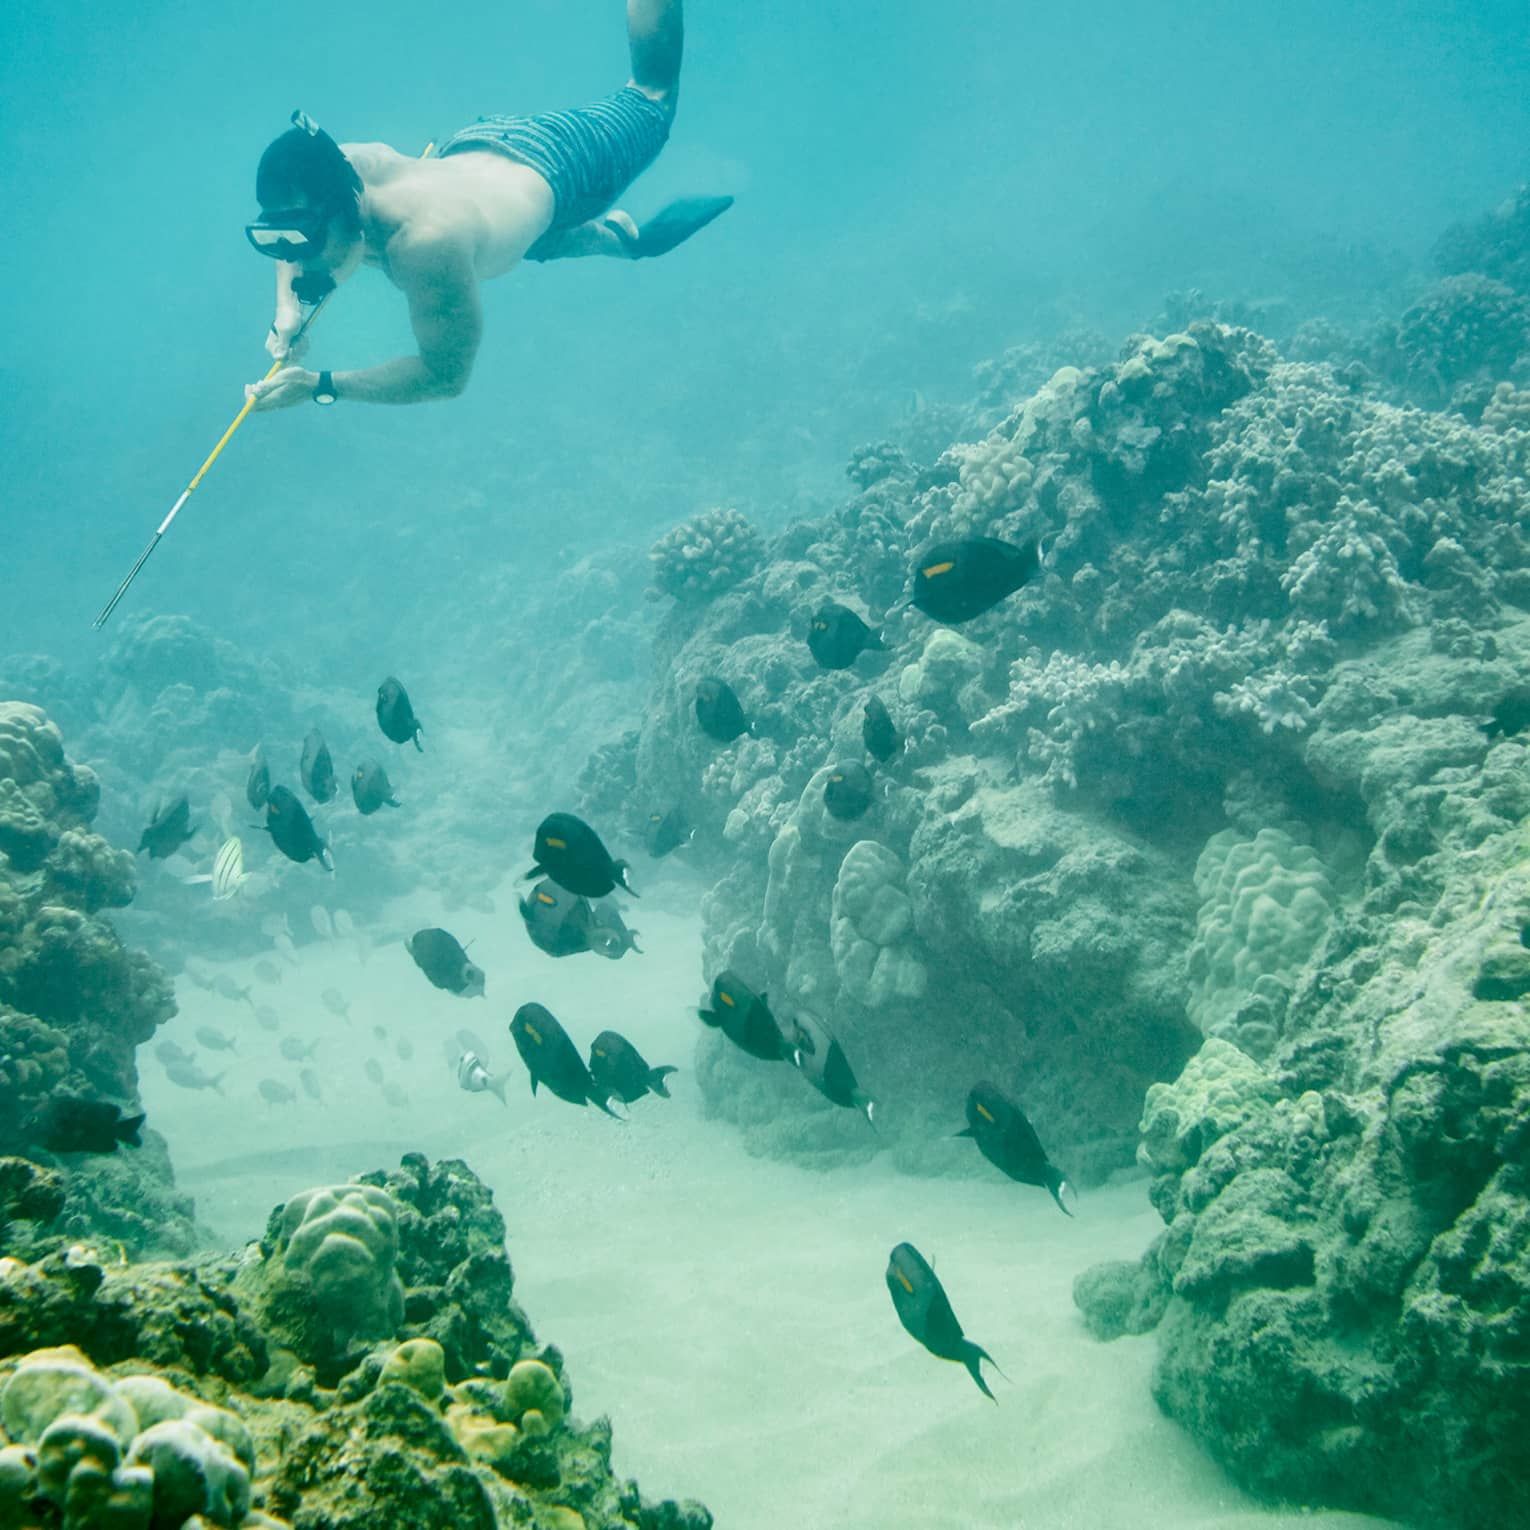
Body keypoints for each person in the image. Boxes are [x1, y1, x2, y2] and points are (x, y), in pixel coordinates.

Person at [243, 0, 729, 411]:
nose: (298, 260)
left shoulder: (425, 246)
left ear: (344, 207)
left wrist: (320, 386)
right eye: (279, 240)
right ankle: (619, 240)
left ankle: (615, 235)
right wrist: (286, 308)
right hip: (476, 154)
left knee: (652, 92)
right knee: (524, 241)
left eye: (308, 241)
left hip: (565, 165)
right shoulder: (337, 164)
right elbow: (295, 222)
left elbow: (444, 375)